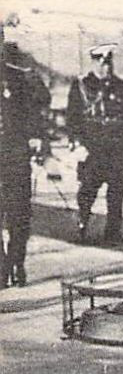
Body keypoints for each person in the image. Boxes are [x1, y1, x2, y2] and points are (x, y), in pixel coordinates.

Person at [66, 42, 123, 245]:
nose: (105, 68)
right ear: (94, 62)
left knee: (117, 192)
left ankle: (113, 232)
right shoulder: (81, 85)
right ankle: (82, 223)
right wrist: (76, 143)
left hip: (116, 148)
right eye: (101, 63)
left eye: (108, 63)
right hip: (92, 148)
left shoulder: (120, 86)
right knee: (88, 190)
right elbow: (72, 119)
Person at [1, 40, 50, 286]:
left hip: (15, 156)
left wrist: (37, 137)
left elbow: (35, 111)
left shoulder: (18, 78)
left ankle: (16, 262)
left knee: (19, 216)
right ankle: (2, 266)